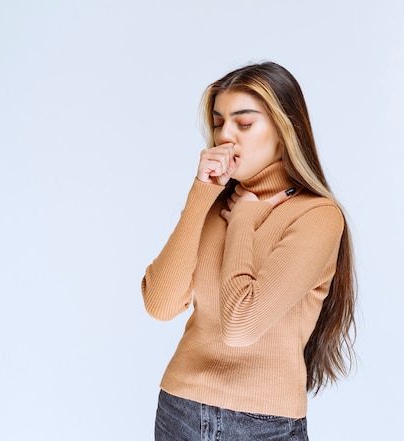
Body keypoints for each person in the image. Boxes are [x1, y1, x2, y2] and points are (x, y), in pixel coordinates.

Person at [141, 61, 357, 441]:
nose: (226, 135)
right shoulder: (211, 203)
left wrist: (243, 221)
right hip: (179, 410)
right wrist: (201, 193)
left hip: (264, 425)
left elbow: (241, 326)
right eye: (218, 122)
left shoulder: (318, 216)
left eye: (244, 124)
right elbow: (160, 304)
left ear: (284, 129)